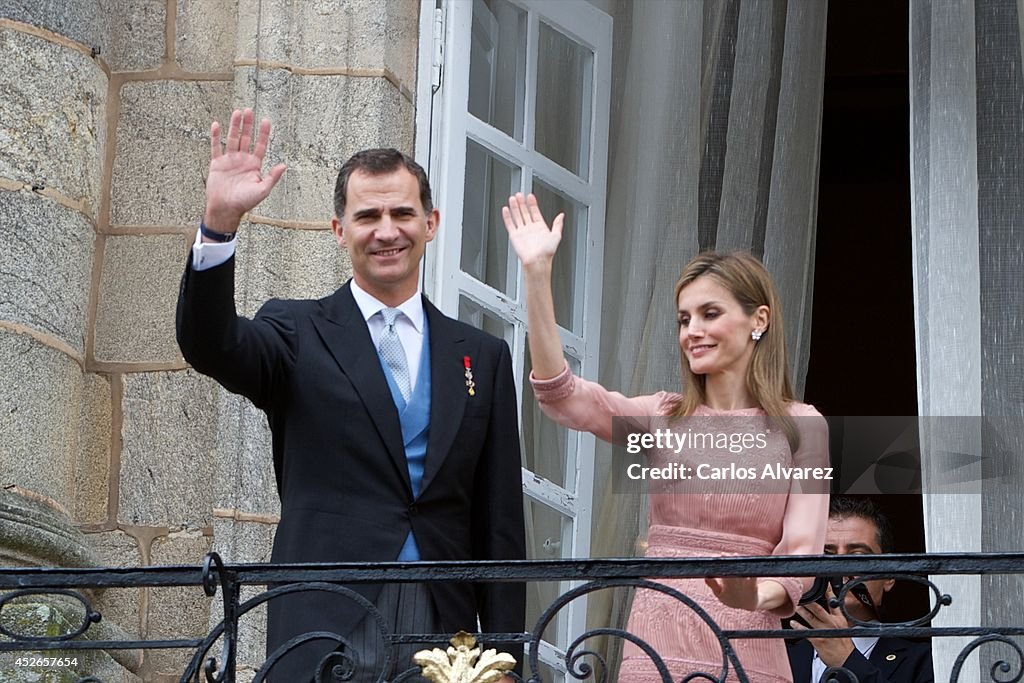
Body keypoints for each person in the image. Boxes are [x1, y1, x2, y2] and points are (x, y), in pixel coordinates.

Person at [176, 109, 526, 680]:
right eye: (368, 216)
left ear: (431, 223)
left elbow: (500, 525)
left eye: (402, 213)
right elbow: (209, 344)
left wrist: (508, 654)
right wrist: (219, 225)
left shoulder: (481, 356)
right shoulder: (296, 331)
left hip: (444, 627)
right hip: (325, 617)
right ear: (339, 230)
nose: (387, 230)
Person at [503, 193, 829, 683]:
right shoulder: (661, 416)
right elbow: (563, 397)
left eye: (710, 313)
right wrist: (536, 275)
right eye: (684, 319)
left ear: (758, 320)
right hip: (656, 642)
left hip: (750, 644)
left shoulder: (803, 424)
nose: (692, 331)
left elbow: (802, 551)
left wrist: (755, 594)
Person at [788, 497, 934, 683]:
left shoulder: (925, 661)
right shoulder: (782, 658)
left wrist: (848, 661)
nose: (840, 569)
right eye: (826, 555)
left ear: (889, 575)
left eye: (858, 555)